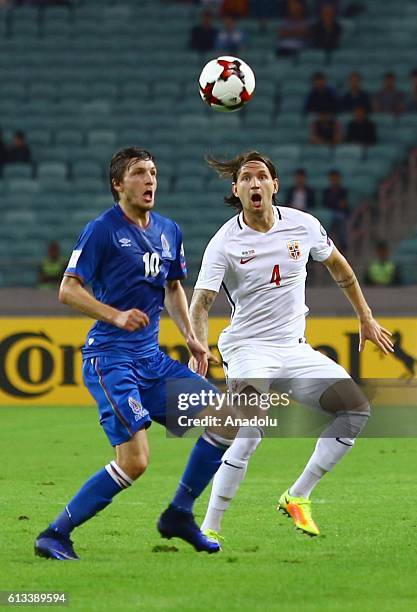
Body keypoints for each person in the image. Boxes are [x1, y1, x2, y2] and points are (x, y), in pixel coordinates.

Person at [34, 147, 240, 560]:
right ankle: (55, 533)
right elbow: (68, 289)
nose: (150, 181)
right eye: (139, 173)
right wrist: (115, 315)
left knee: (228, 418)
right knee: (134, 461)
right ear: (118, 184)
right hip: (111, 360)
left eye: (153, 173)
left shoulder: (168, 230)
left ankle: (180, 514)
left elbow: (174, 287)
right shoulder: (102, 230)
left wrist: (190, 336)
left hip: (152, 362)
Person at [187, 150, 393, 541]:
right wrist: (199, 344)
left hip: (295, 349)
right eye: (246, 178)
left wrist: (365, 316)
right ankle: (210, 527)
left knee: (356, 408)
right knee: (248, 433)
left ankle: (297, 496)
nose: (254, 183)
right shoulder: (224, 242)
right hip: (248, 349)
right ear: (236, 190)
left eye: (261, 176)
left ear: (274, 185)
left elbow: (341, 269)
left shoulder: (304, 225)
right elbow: (201, 303)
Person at [322, 169, 349, 251]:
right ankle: (324, 242)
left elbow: (344, 205)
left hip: (341, 213)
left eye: (335, 179)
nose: (334, 181)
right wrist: (337, 204)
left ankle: (343, 243)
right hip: (330, 212)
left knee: (340, 217)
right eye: (332, 179)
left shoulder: (343, 191)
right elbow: (326, 204)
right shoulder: (326, 191)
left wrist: (336, 204)